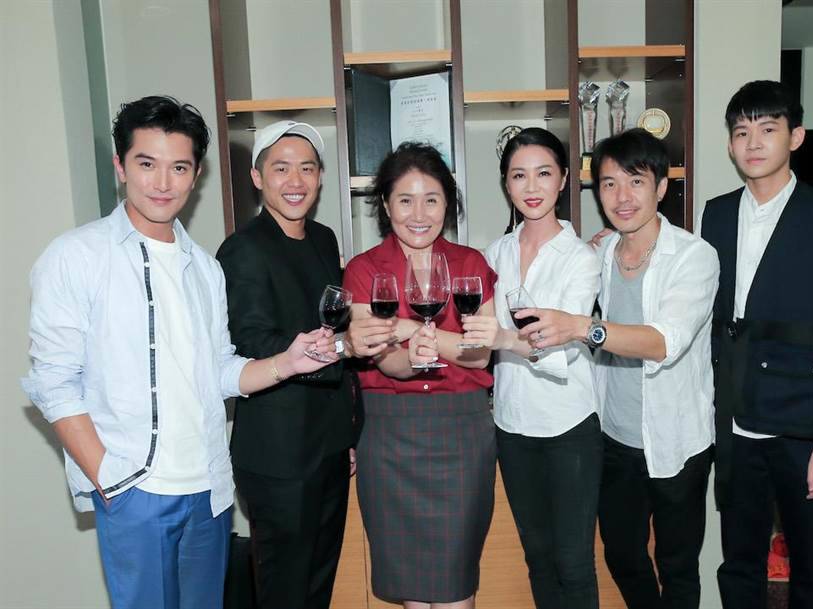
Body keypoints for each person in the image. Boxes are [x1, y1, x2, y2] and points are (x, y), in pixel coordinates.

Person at [20, 97, 336, 609]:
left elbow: (218, 372)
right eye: (147, 163)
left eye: (180, 167)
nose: (163, 182)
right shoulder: (77, 256)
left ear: (196, 175)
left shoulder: (204, 269)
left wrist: (288, 362)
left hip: (209, 491)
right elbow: (54, 382)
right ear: (121, 166)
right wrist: (111, 481)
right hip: (135, 491)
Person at [518, 128, 719, 609]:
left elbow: (663, 341)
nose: (622, 197)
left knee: (677, 565)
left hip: (677, 440)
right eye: (609, 184)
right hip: (614, 438)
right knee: (622, 555)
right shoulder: (601, 254)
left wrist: (582, 327)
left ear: (661, 187)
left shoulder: (694, 256)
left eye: (636, 181)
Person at [700, 80, 813, 609]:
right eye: (741, 132)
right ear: (730, 145)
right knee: (739, 562)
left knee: (812, 567)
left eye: (767, 129)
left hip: (807, 421)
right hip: (736, 418)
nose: (753, 143)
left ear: (795, 137)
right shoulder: (715, 214)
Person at [342, 142, 496, 609]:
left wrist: (410, 330)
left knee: (454, 588)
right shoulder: (363, 270)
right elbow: (383, 358)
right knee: (411, 591)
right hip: (390, 436)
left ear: (447, 204)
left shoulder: (470, 265)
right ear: (386, 204)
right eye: (405, 200)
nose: (419, 214)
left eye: (431, 199)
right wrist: (416, 355)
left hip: (462, 433)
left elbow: (480, 356)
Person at [216, 121, 357, 609]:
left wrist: (347, 432)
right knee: (285, 592)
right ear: (258, 177)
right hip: (278, 456)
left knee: (319, 587)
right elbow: (251, 342)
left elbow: (335, 326)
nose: (295, 181)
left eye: (307, 169)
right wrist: (342, 348)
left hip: (328, 445)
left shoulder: (323, 238)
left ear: (320, 177)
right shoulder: (243, 249)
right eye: (281, 169)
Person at [460, 127, 602, 609]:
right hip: (512, 425)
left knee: (574, 562)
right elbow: (475, 338)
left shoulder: (581, 258)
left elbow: (563, 346)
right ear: (506, 184)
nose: (532, 186)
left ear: (563, 179)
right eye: (519, 176)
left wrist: (503, 338)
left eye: (544, 173)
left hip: (569, 425)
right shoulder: (494, 255)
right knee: (537, 558)